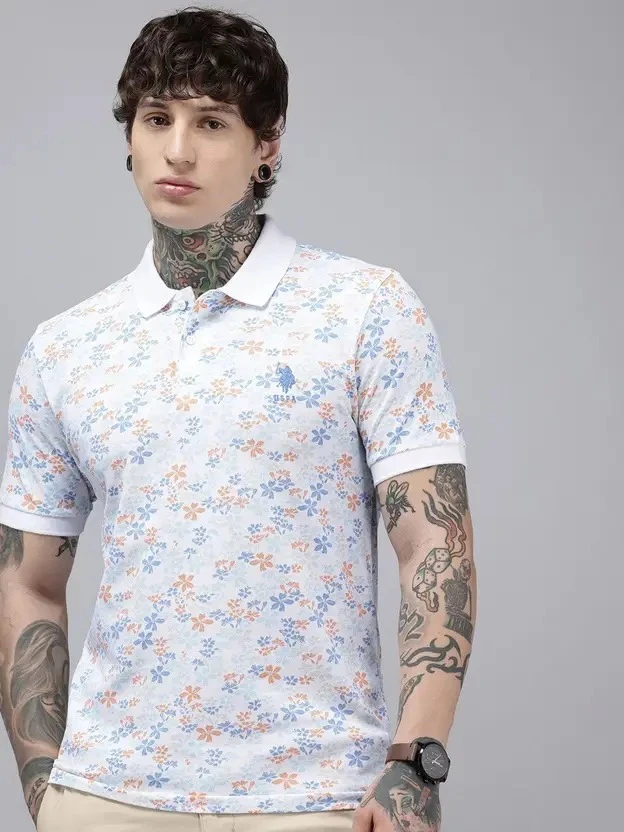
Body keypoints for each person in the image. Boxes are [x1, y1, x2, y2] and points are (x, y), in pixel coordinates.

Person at [0, 6, 476, 832]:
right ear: (130, 137)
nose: (178, 150)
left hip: (315, 795)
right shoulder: (65, 348)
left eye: (212, 122)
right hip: (106, 797)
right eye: (158, 119)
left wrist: (415, 764)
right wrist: (48, 788)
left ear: (268, 144)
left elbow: (434, 545)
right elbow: (26, 579)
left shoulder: (365, 310)